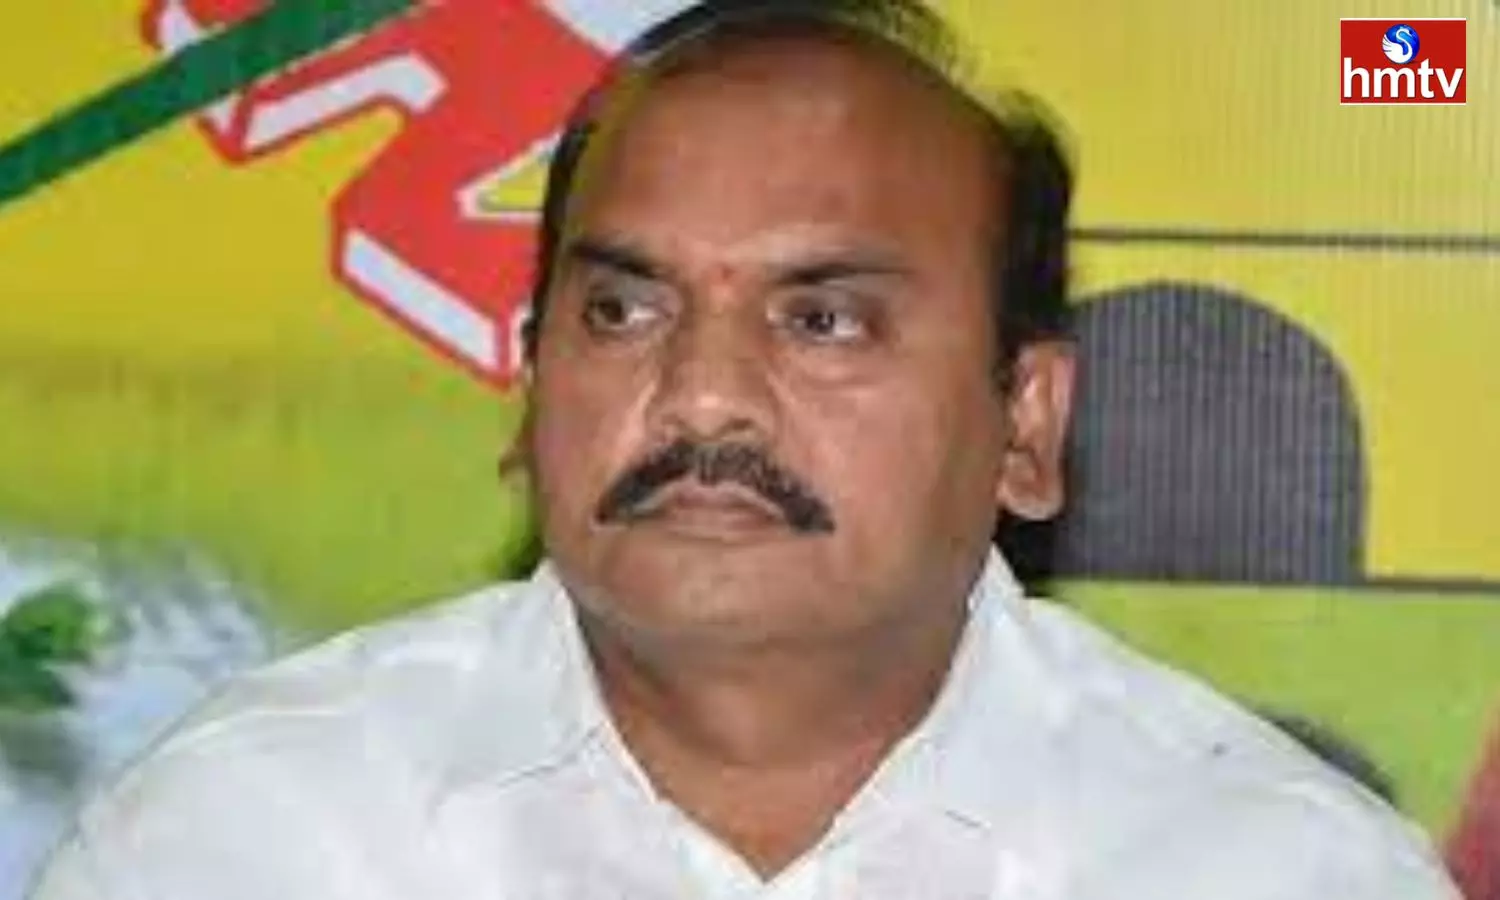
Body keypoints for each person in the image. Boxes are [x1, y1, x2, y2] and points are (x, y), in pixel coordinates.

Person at [31, 1, 1460, 897]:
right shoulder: (248, 836)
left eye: (823, 319)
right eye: (623, 309)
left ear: (1025, 422)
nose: (703, 399)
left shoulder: (1265, 865)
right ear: (531, 385)